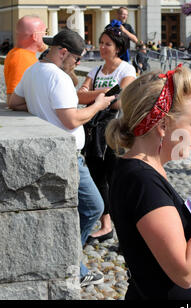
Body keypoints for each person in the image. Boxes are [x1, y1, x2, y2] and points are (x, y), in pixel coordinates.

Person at [105, 66, 191, 300]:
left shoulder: (144, 170)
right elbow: (185, 272)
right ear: (162, 126)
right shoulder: (142, 181)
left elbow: (172, 236)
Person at [7, 29, 115, 287]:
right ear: (63, 52)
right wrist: (98, 106)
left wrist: (38, 104)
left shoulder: (33, 70)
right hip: (66, 155)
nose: (77, 65)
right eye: (77, 60)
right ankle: (72, 265)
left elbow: (12, 102)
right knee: (94, 208)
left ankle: (68, 262)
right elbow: (71, 120)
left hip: (48, 153)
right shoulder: (59, 77)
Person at [77, 27, 136, 244]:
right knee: (98, 178)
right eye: (100, 42)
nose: (102, 47)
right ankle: (106, 226)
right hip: (94, 131)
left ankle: (127, 234)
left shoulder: (126, 69)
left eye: (107, 44)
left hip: (116, 132)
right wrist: (104, 97)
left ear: (118, 48)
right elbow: (79, 96)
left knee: (118, 181)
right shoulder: (96, 70)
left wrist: (95, 98)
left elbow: (122, 100)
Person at [4, 15, 47, 105]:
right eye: (45, 32)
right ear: (35, 36)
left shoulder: (19, 54)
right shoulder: (21, 57)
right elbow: (12, 100)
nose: (46, 35)